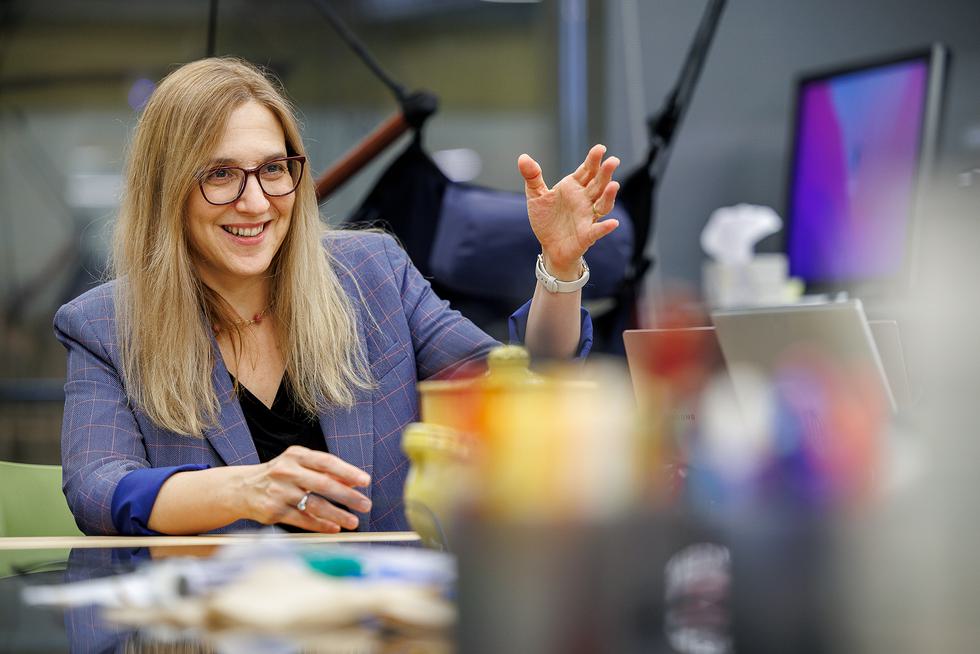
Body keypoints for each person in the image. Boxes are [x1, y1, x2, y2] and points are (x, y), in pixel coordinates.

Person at [55, 57, 621, 536]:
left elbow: (515, 385)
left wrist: (560, 269)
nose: (255, 203)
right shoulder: (105, 325)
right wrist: (246, 490)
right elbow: (98, 487)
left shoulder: (370, 274)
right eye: (220, 174)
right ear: (166, 189)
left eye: (273, 169)